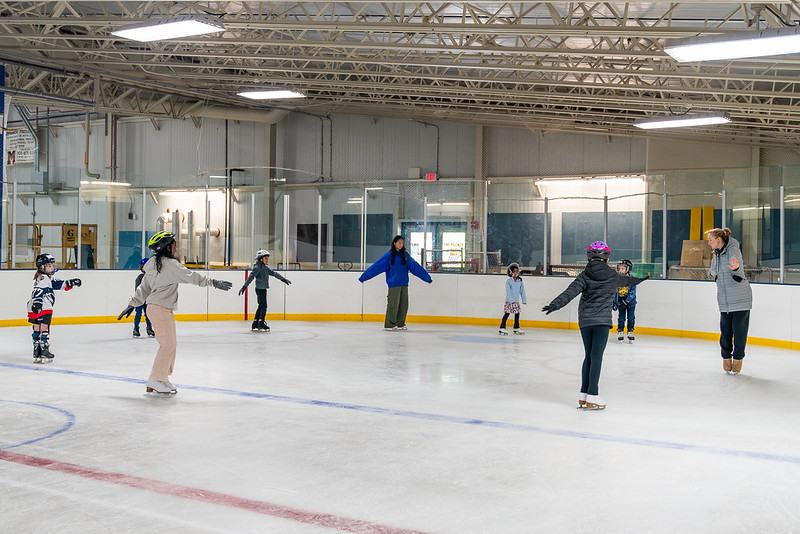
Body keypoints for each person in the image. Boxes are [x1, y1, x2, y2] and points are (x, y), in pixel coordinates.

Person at [117, 231, 232, 395]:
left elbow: (144, 288)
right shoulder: (171, 265)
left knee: (170, 345)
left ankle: (161, 378)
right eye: (174, 244)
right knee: (167, 346)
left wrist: (132, 304)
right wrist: (213, 282)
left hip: (159, 308)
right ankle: (155, 380)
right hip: (159, 308)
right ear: (166, 247)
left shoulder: (154, 264)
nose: (175, 247)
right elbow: (192, 277)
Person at [541, 241, 648, 410]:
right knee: (596, 357)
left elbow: (569, 293)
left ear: (589, 258)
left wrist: (554, 305)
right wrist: (642, 279)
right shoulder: (613, 276)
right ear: (606, 259)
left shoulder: (584, 275)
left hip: (585, 321)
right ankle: (593, 395)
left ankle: (583, 395)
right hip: (601, 322)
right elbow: (629, 281)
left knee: (588, 356)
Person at [358, 235, 433, 330]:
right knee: (393, 304)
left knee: (403, 305)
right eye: (399, 243)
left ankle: (400, 323)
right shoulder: (389, 256)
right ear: (394, 243)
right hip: (394, 285)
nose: (401, 245)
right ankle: (389, 324)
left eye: (402, 243)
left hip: (404, 284)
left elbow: (415, 267)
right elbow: (376, 267)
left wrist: (427, 278)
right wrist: (363, 277)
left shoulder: (405, 255)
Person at [707, 228, 752, 375]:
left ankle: (738, 359)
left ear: (718, 240)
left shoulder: (733, 249)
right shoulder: (717, 255)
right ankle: (726, 358)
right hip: (724, 300)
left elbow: (735, 258)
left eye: (710, 240)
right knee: (725, 332)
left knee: (739, 332)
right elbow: (713, 272)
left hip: (740, 299)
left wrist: (735, 264)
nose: (708, 243)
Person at [27, 253, 82, 363]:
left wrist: (71, 282)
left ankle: (37, 349)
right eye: (49, 266)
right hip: (44, 306)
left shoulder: (44, 278)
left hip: (34, 307)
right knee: (45, 327)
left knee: (37, 327)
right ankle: (44, 349)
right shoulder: (44, 279)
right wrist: (37, 302)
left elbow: (59, 284)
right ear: (42, 267)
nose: (52, 267)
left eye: (52, 265)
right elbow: (37, 291)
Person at [238, 249, 291, 332]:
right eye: (265, 258)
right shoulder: (257, 268)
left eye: (267, 258)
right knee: (264, 306)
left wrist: (283, 279)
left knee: (260, 306)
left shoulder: (265, 268)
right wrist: (244, 286)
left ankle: (255, 323)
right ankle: (261, 322)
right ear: (260, 259)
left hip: (263, 289)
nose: (267, 260)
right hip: (260, 289)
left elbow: (274, 273)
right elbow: (250, 277)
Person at [499, 262, 527, 335]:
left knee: (517, 313)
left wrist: (524, 300)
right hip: (509, 301)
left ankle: (516, 327)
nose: (516, 273)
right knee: (507, 313)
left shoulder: (519, 281)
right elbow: (508, 292)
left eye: (517, 271)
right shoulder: (509, 282)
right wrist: (512, 301)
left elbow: (522, 291)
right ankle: (502, 327)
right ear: (511, 272)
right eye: (514, 271)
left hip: (516, 301)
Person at [613, 259, 637, 342]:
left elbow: (633, 292)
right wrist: (614, 302)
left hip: (630, 303)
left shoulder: (632, 279)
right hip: (621, 302)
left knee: (630, 318)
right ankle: (620, 331)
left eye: (622, 268)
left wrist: (627, 301)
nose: (620, 270)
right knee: (621, 318)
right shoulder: (617, 279)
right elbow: (614, 291)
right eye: (619, 268)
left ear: (628, 269)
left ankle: (630, 331)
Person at [133, 257, 155, 338]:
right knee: (138, 313)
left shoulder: (153, 277)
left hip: (148, 300)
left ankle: (149, 328)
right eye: (141, 267)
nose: (142, 268)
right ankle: (136, 328)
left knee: (148, 314)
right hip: (140, 300)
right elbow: (137, 289)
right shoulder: (140, 277)